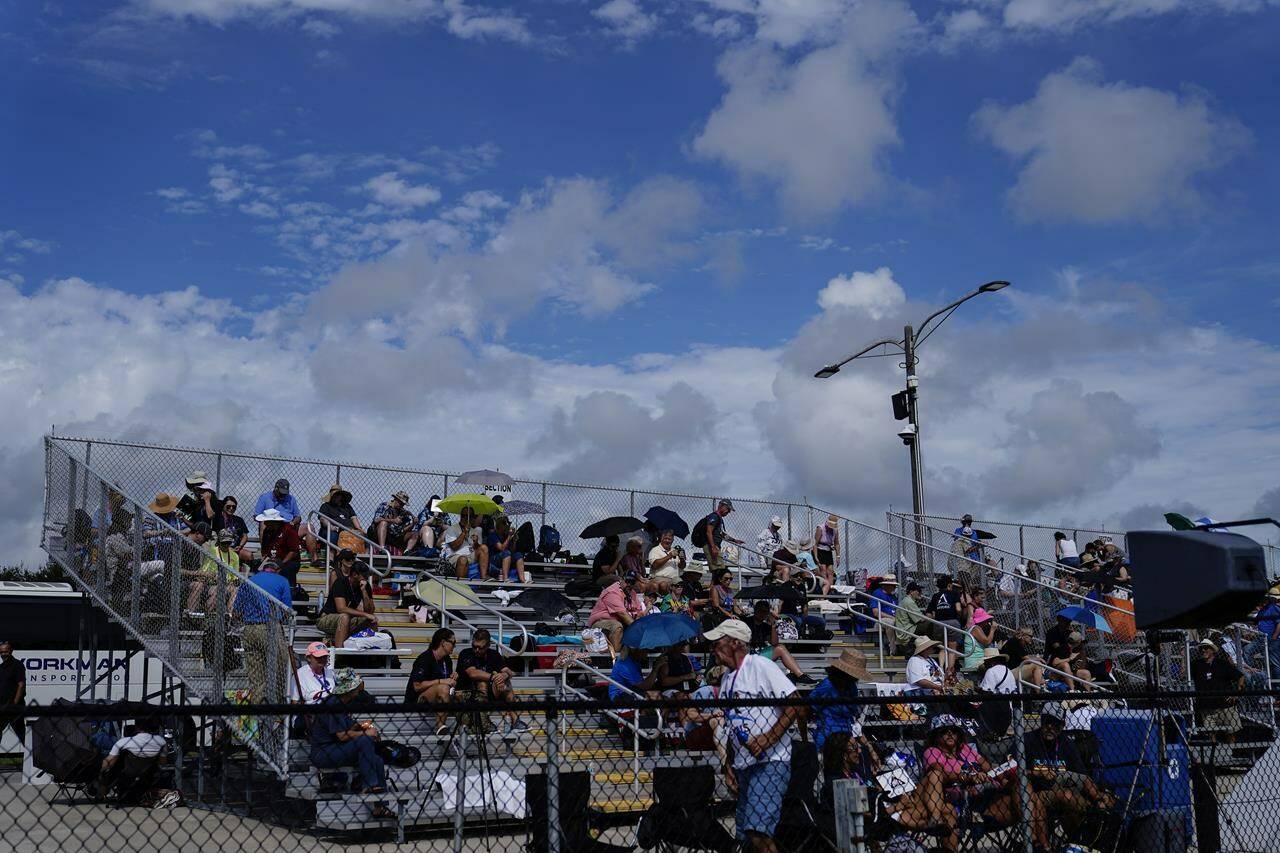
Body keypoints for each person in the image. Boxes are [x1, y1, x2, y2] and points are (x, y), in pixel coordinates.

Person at [704, 618, 798, 853]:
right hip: (744, 764)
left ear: (735, 643)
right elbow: (732, 726)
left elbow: (796, 704)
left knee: (758, 832)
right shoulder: (727, 679)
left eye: (717, 643)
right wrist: (728, 765)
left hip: (770, 761)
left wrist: (768, 738)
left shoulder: (760, 666)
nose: (713, 650)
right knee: (745, 834)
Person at [822, 730, 958, 852]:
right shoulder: (837, 782)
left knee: (935, 776)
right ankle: (933, 821)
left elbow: (872, 792)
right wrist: (899, 806)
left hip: (893, 806)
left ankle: (934, 820)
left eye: (858, 747)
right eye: (854, 748)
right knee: (948, 810)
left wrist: (881, 789)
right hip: (884, 818)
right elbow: (864, 816)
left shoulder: (856, 772)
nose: (858, 752)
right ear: (843, 754)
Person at [923, 715, 1034, 845]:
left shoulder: (965, 749)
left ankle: (1032, 843)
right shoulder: (932, 751)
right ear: (935, 735)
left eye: (953, 730)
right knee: (1022, 803)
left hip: (989, 795)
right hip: (962, 801)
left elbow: (986, 765)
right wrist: (968, 777)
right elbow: (939, 774)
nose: (949, 733)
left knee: (1023, 792)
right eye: (944, 731)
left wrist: (1002, 778)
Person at [1024, 702, 1115, 843]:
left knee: (1081, 785)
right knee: (1066, 795)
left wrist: (1096, 794)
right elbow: (1012, 771)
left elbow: (1082, 775)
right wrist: (1038, 773)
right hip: (1038, 792)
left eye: (1055, 723)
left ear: (1062, 725)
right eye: (1047, 721)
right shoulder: (1028, 740)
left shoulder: (1066, 743)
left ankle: (1097, 804)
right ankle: (1089, 820)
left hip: (1063, 786)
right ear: (1041, 721)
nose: (1049, 727)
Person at [311, 669, 393, 819]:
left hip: (337, 749)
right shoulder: (333, 703)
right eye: (355, 686)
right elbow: (342, 736)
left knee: (377, 759)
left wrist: (362, 726)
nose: (358, 688)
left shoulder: (344, 702)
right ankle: (369, 784)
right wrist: (365, 734)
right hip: (324, 752)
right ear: (349, 689)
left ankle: (380, 806)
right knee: (365, 740)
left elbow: (348, 727)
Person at [232, 560, 291, 706]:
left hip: (250, 629)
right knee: (280, 667)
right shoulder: (282, 580)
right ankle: (276, 707)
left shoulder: (249, 581)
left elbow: (237, 612)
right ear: (276, 570)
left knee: (256, 676)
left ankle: (258, 711)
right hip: (270, 627)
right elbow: (286, 611)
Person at [457, 628, 529, 734]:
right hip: (467, 693)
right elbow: (472, 674)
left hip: (489, 693)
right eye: (474, 646)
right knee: (482, 683)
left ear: (487, 646)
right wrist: (494, 677)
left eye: (480, 648)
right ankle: (484, 722)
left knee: (506, 684)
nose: (476, 650)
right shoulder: (466, 653)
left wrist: (503, 676)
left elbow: (509, 672)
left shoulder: (494, 654)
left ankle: (515, 721)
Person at [808, 649, 870, 749]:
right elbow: (810, 705)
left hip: (847, 734)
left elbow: (852, 716)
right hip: (827, 736)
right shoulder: (828, 685)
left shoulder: (852, 687)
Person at [317, 550, 377, 648]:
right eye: (364, 575)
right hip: (326, 618)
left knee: (373, 620)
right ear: (354, 575)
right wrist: (366, 614)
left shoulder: (365, 585)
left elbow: (370, 611)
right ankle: (339, 656)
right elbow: (341, 609)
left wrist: (364, 592)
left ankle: (371, 654)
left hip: (347, 619)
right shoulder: (340, 583)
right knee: (344, 617)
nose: (366, 578)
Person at [1190, 638, 1245, 744]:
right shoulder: (1196, 664)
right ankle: (1214, 756)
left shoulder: (1222, 664)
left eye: (1206, 648)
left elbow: (1240, 677)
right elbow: (1183, 675)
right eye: (1201, 648)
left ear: (1212, 650)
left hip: (1225, 705)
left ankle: (1231, 751)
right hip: (1206, 706)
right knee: (1211, 733)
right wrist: (1184, 656)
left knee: (1231, 732)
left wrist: (1236, 694)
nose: (1203, 650)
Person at [746, 600, 814, 683]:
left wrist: (773, 625)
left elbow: (774, 643)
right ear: (755, 610)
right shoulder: (746, 621)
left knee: (780, 648)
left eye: (765, 612)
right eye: (760, 611)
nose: (762, 614)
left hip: (760, 654)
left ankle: (800, 675)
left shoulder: (766, 626)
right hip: (747, 655)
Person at [99, 715, 167, 796]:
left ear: (136, 727)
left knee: (110, 764)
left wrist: (104, 771)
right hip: (149, 773)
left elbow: (109, 760)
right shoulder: (161, 741)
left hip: (128, 773)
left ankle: (103, 791)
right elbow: (163, 762)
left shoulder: (124, 741)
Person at [407, 628, 456, 736]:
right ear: (443, 643)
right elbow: (417, 686)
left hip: (439, 697)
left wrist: (452, 679)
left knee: (461, 694)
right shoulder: (425, 658)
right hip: (418, 699)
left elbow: (447, 681)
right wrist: (441, 681)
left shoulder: (447, 660)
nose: (454, 646)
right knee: (443, 688)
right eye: (453, 643)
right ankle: (440, 726)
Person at [587, 570, 646, 653]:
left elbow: (638, 611)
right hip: (600, 622)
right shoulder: (612, 592)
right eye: (627, 581)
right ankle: (616, 657)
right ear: (621, 580)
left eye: (632, 582)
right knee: (617, 626)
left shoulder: (632, 593)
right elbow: (622, 614)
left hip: (622, 621)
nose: (629, 584)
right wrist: (638, 629)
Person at [257, 508, 302, 591]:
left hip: (289, 561)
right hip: (272, 559)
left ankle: (290, 591)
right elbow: (265, 548)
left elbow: (293, 551)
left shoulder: (289, 530)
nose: (266, 524)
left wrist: (281, 564)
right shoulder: (267, 531)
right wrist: (265, 559)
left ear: (274, 522)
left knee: (286, 570)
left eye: (267, 522)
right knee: (257, 568)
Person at [440, 506, 489, 580]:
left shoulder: (474, 530)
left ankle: (483, 578)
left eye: (470, 516)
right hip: (455, 555)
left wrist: (476, 543)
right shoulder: (452, 529)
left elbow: (476, 548)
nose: (467, 518)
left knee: (484, 548)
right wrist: (464, 532)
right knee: (463, 559)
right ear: (461, 516)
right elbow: (454, 546)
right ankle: (461, 586)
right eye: (464, 516)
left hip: (470, 555)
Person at [699, 499, 742, 572]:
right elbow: (709, 532)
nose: (728, 512)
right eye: (728, 509)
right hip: (711, 546)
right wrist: (713, 547)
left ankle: (715, 583)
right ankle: (716, 583)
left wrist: (734, 540)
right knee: (718, 570)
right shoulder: (714, 517)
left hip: (716, 546)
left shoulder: (719, 518)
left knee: (718, 570)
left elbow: (721, 534)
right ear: (721, 506)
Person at [925, 575, 963, 653]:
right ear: (949, 584)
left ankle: (942, 665)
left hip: (939, 623)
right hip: (952, 622)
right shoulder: (954, 594)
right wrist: (959, 617)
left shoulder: (935, 596)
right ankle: (951, 665)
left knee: (942, 647)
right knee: (952, 647)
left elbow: (928, 614)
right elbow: (958, 609)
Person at [0, 640, 27, 744]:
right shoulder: (1, 667)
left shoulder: (17, 665)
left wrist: (14, 703)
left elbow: (21, 685)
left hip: (14, 706)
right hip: (2, 706)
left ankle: (33, 758)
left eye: (5, 652)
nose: (3, 654)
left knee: (21, 734)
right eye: (1, 652)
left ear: (11, 651)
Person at [486, 516, 526, 582]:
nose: (507, 525)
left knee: (518, 555)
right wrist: (509, 537)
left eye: (508, 523)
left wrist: (514, 541)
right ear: (499, 525)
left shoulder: (506, 536)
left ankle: (523, 579)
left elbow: (512, 551)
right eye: (504, 523)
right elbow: (501, 548)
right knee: (506, 553)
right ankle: (506, 579)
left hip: (506, 557)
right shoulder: (493, 535)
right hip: (494, 560)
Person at [212, 495, 252, 563]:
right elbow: (214, 536)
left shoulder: (239, 520)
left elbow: (245, 536)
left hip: (236, 549)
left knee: (249, 555)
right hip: (222, 548)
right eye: (228, 506)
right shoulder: (217, 520)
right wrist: (226, 547)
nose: (231, 508)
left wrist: (240, 546)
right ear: (223, 506)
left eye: (234, 507)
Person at [869, 578, 900, 655]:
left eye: (895, 586)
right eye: (892, 585)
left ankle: (902, 646)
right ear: (885, 585)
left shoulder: (893, 597)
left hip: (894, 619)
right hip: (879, 621)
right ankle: (892, 647)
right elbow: (876, 612)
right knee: (890, 622)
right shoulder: (877, 593)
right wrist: (891, 617)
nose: (894, 587)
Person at [814, 514, 839, 592]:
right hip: (820, 550)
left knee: (830, 571)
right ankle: (823, 590)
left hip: (828, 551)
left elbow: (836, 543)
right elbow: (815, 543)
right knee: (823, 570)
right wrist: (816, 556)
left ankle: (830, 590)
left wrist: (838, 556)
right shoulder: (820, 528)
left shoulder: (835, 530)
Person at [894, 582, 924, 647]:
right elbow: (920, 619)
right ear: (911, 592)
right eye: (918, 591)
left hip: (905, 630)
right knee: (931, 624)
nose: (921, 593)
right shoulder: (909, 602)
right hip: (907, 632)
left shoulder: (906, 600)